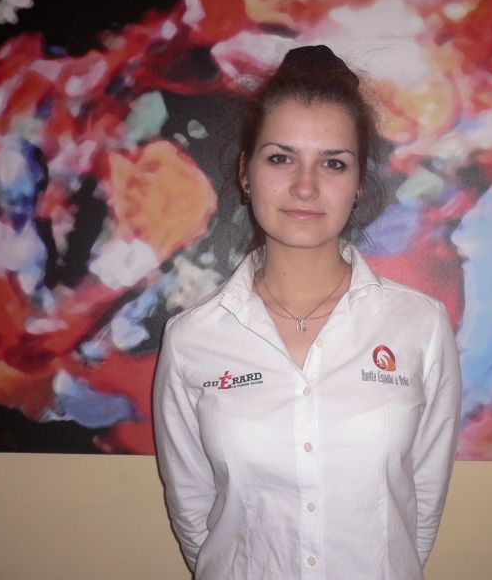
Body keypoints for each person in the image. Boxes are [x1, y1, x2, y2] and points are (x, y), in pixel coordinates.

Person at [153, 45, 461, 579]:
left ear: (359, 182)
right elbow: (194, 513)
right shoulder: (191, 340)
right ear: (245, 173)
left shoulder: (421, 327)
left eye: (333, 163)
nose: (305, 186)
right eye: (281, 158)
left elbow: (421, 507)